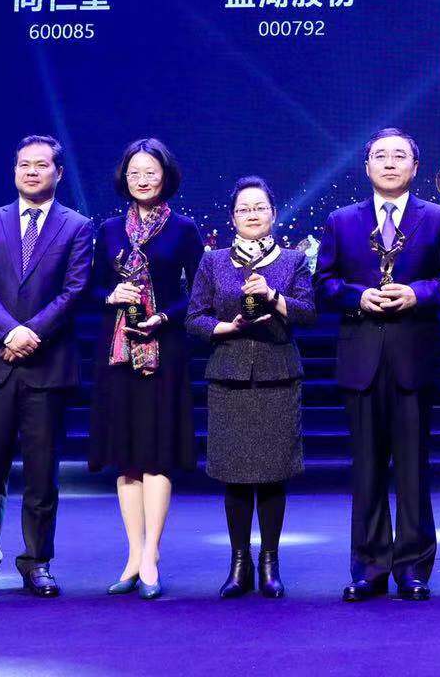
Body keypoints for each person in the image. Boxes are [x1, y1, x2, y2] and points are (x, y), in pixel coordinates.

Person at [315, 127, 440, 602]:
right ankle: (369, 568)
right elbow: (324, 284)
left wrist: (416, 294)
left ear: (415, 167)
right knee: (367, 468)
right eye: (380, 155)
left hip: (414, 357)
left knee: (414, 468)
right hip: (361, 356)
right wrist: (359, 297)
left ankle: (414, 569)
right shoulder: (341, 221)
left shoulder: (439, 219)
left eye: (400, 156)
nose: (390, 163)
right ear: (367, 167)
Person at [0, 135, 94, 599]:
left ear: (58, 173)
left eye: (41, 165)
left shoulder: (77, 226)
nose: (31, 171)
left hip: (48, 365)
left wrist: (31, 334)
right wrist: (10, 333)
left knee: (42, 473)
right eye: (23, 164)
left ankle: (37, 562)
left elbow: (74, 290)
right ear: (14, 170)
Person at [187, 177, 316, 599]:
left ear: (274, 214)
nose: (252, 215)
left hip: (278, 376)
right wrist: (226, 327)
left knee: (274, 475)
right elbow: (194, 318)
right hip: (229, 378)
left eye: (260, 207)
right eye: (244, 209)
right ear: (232, 218)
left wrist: (273, 296)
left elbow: (308, 312)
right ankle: (239, 563)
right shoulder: (213, 262)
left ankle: (270, 563)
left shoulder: (293, 260)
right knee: (235, 476)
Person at [87, 138, 202, 600]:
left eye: (150, 172)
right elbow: (91, 287)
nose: (142, 179)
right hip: (117, 353)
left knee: (156, 453)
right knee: (127, 455)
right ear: (124, 177)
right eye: (134, 172)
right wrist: (110, 295)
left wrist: (165, 317)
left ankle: (152, 554)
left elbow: (199, 293)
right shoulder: (110, 229)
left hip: (164, 351)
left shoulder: (184, 229)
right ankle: (133, 555)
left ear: (165, 176)